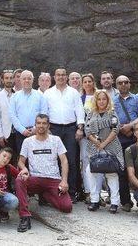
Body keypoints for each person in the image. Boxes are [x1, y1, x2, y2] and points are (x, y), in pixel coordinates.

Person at [15, 114, 73, 232]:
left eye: (44, 123)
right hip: (35, 178)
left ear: (48, 125)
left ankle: (45, 194)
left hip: (53, 179)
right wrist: (24, 169)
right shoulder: (27, 141)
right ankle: (25, 217)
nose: (41, 126)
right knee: (19, 180)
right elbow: (21, 161)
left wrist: (64, 180)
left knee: (67, 207)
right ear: (35, 125)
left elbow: (64, 161)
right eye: (39, 123)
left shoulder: (56, 140)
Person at [44, 68, 85, 201]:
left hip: (70, 129)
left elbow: (79, 110)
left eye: (63, 75)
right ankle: (54, 191)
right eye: (58, 75)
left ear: (66, 77)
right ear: (54, 77)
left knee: (71, 160)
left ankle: (71, 192)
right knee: (53, 160)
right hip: (53, 129)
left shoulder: (73, 92)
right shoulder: (48, 93)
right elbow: (45, 111)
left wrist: (80, 127)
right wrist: (47, 128)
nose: (61, 77)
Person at [84, 90, 123, 213]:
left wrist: (104, 144)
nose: (101, 101)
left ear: (108, 100)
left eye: (104, 99)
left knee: (112, 173)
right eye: (99, 99)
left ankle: (115, 202)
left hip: (111, 146)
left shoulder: (112, 113)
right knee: (91, 172)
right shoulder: (91, 114)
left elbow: (115, 129)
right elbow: (87, 130)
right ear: (95, 101)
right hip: (94, 146)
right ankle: (95, 200)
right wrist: (96, 142)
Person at [113, 75, 138, 211]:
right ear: (117, 85)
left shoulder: (137, 98)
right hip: (120, 138)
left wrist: (130, 126)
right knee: (122, 169)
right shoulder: (113, 100)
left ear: (129, 84)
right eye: (120, 83)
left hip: (135, 137)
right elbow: (112, 118)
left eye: (126, 82)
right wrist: (122, 128)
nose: (123, 84)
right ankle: (125, 201)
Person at [9, 70, 49, 159]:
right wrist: (22, 130)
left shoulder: (40, 96)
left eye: (29, 78)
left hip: (38, 132)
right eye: (24, 78)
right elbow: (12, 115)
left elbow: (44, 113)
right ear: (20, 80)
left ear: (33, 80)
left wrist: (36, 128)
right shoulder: (14, 97)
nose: (27, 80)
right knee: (23, 159)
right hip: (21, 133)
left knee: (38, 158)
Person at [79, 73, 97, 203]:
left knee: (98, 162)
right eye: (84, 82)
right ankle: (88, 191)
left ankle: (98, 193)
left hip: (99, 135)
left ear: (93, 82)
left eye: (89, 81)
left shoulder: (100, 96)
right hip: (85, 135)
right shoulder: (80, 98)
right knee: (86, 162)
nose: (87, 84)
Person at [0, 70, 15, 151]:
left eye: (11, 78)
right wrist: (0, 135)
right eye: (6, 78)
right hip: (5, 134)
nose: (9, 80)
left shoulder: (18, 95)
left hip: (18, 133)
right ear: (2, 80)